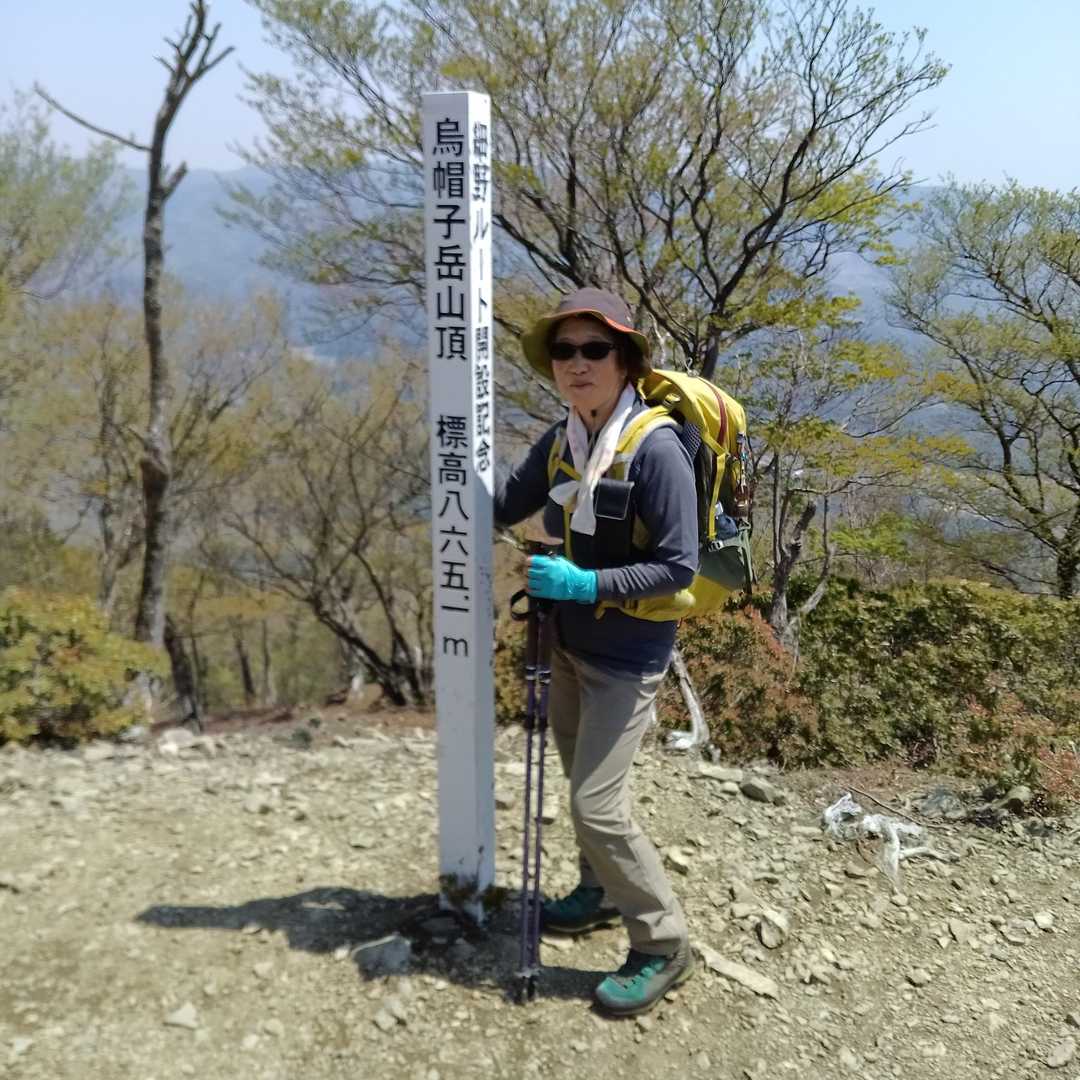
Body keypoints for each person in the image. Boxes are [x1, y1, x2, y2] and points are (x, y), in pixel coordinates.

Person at [494, 287, 698, 1017]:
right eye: (564, 350)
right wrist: (449, 474)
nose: (577, 363)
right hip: (569, 646)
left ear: (625, 361)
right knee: (581, 782)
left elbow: (679, 566)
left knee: (597, 805)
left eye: (595, 349)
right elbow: (505, 504)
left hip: (628, 656)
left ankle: (663, 942)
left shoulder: (657, 449)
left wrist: (586, 585)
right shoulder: (564, 440)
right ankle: (599, 892)